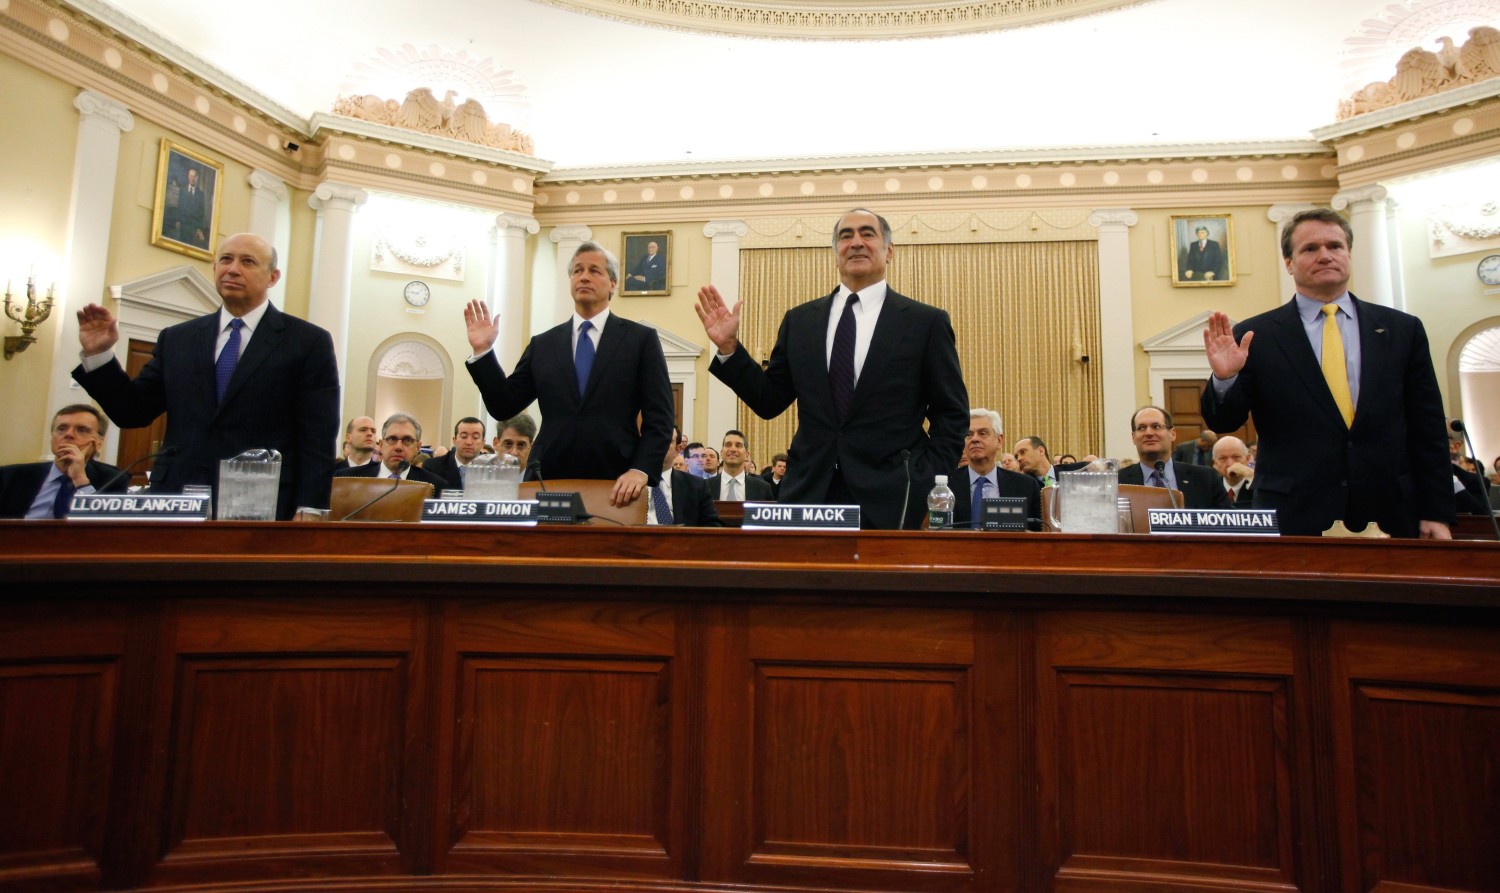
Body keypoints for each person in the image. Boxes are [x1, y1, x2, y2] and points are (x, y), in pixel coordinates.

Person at [695, 208, 969, 529]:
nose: (856, 242)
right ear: (835, 252)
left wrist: (925, 476)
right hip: (809, 492)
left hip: (892, 495)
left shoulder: (925, 322)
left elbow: (951, 413)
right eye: (845, 236)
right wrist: (730, 349)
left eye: (867, 234)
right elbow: (769, 401)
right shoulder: (801, 321)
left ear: (889, 250)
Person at [1201, 208, 1452, 538]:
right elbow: (1223, 422)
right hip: (1293, 515)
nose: (1325, 255)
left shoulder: (1400, 330)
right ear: (1288, 262)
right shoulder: (1256, 335)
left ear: (1348, 253)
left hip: (1390, 511)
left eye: (1335, 246)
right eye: (1310, 249)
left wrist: (1436, 512)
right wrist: (1224, 379)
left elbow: (1428, 427)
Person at [73, 233, 340, 521]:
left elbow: (318, 435)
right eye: (226, 259)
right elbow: (132, 412)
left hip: (262, 502)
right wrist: (99, 356)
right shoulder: (178, 339)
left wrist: (311, 506)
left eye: (247, 261)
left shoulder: (307, 341)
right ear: (215, 269)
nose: (233, 269)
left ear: (272, 277)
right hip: (177, 497)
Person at [463, 241, 674, 508]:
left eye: (594, 270)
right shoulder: (544, 344)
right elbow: (504, 405)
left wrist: (641, 470)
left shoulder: (640, 340)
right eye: (577, 270)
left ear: (613, 284)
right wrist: (483, 353)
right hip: (548, 476)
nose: (583, 276)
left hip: (617, 480)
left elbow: (661, 418)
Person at [1, 404, 128, 519]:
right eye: (61, 429)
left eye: (82, 430)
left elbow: (107, 529)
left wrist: (80, 479)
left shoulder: (113, 479)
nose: (68, 434)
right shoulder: (10, 476)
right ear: (52, 437)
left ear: (99, 442)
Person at [1118, 406, 1230, 509]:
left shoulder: (1206, 479)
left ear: (1172, 434)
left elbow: (1228, 525)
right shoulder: (1117, 482)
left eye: (1156, 426)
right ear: (1133, 437)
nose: (1149, 433)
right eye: (1141, 428)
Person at [948, 409, 1041, 530]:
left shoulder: (1026, 486)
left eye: (982, 433)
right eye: (968, 434)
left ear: (999, 441)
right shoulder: (947, 485)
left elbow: (1039, 534)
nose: (974, 439)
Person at [332, 413, 447, 490]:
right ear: (381, 445)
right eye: (392, 439)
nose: (398, 447)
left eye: (407, 440)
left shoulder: (434, 485)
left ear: (417, 447)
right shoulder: (346, 478)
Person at [647, 424, 722, 527]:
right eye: (653, 438)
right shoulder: (625, 481)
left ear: (677, 450)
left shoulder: (697, 486)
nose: (658, 443)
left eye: (666, 439)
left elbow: (713, 526)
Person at [425, 417, 486, 492]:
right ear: (454, 440)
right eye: (464, 436)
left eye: (475, 437)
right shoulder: (433, 467)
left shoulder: (491, 468)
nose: (469, 442)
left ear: (483, 443)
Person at [710, 429, 773, 502]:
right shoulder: (706, 487)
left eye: (738, 445)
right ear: (721, 453)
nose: (733, 449)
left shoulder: (763, 488)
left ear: (746, 455)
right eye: (728, 445)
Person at [1211, 434, 1255, 507]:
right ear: (1215, 463)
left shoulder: (1257, 485)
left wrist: (1250, 475)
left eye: (1236, 457)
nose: (1230, 464)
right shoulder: (1210, 489)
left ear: (1247, 459)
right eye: (1223, 458)